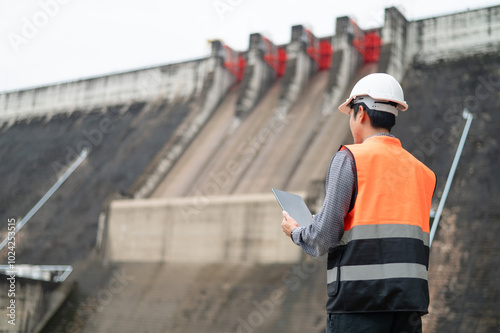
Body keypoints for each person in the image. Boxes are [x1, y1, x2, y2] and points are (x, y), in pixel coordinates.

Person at [281, 73, 436, 333]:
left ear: (361, 113)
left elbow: (324, 238)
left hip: (359, 305)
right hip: (408, 306)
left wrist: (296, 232)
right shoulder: (422, 172)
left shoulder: (350, 158)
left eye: (350, 114)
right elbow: (377, 218)